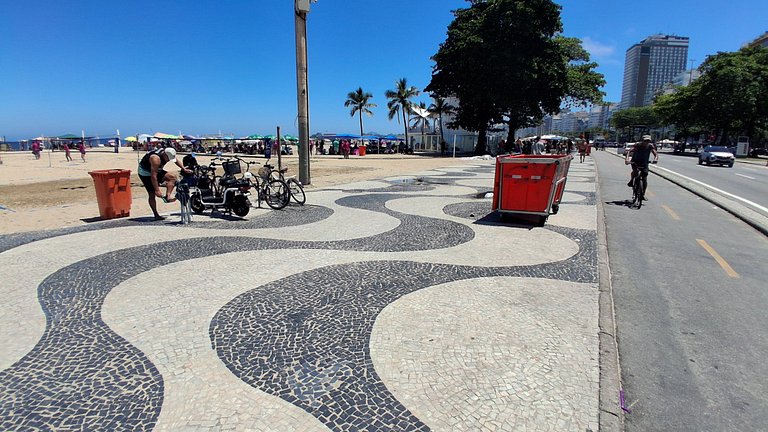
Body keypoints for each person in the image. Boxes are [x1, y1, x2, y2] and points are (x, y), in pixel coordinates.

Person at [138, 147, 189, 221]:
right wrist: (157, 190)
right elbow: (153, 176)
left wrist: (183, 168)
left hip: (155, 170)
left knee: (173, 177)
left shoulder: (168, 152)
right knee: (152, 194)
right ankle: (156, 215)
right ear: (164, 155)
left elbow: (175, 160)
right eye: (168, 159)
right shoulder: (155, 159)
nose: (168, 161)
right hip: (145, 173)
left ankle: (167, 197)